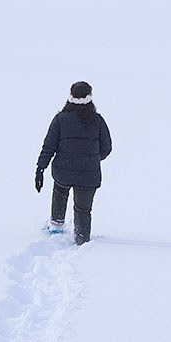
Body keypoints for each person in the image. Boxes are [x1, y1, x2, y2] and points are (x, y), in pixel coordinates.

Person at [35, 80, 112, 245]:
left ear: (70, 97)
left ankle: (56, 226)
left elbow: (49, 145)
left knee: (60, 192)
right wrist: (91, 159)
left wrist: (40, 168)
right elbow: (107, 148)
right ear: (90, 98)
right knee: (83, 210)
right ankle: (82, 239)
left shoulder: (60, 119)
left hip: (64, 171)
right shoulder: (98, 121)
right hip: (89, 175)